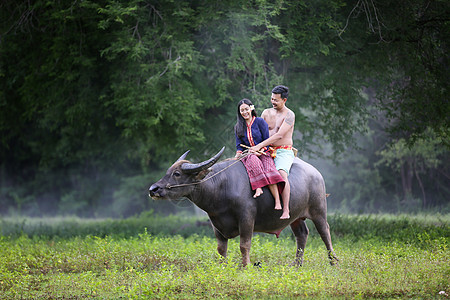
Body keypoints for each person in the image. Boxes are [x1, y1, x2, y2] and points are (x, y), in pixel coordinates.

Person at [250, 85, 295, 219]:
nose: (273, 102)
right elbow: (258, 132)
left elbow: (279, 135)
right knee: (250, 164)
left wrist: (259, 146)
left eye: (276, 100)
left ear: (284, 100)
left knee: (281, 173)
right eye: (272, 99)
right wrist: (255, 147)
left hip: (283, 151)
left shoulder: (290, 115)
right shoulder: (266, 113)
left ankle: (286, 209)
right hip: (266, 150)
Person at [234, 99, 285, 209]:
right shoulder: (238, 127)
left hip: (264, 152)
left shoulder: (260, 122)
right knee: (253, 159)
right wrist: (237, 156)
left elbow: (266, 140)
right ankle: (258, 188)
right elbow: (239, 146)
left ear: (251, 109)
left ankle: (277, 201)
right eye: (242, 110)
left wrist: (260, 150)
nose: (244, 112)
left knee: (269, 170)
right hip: (248, 154)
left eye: (246, 109)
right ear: (239, 112)